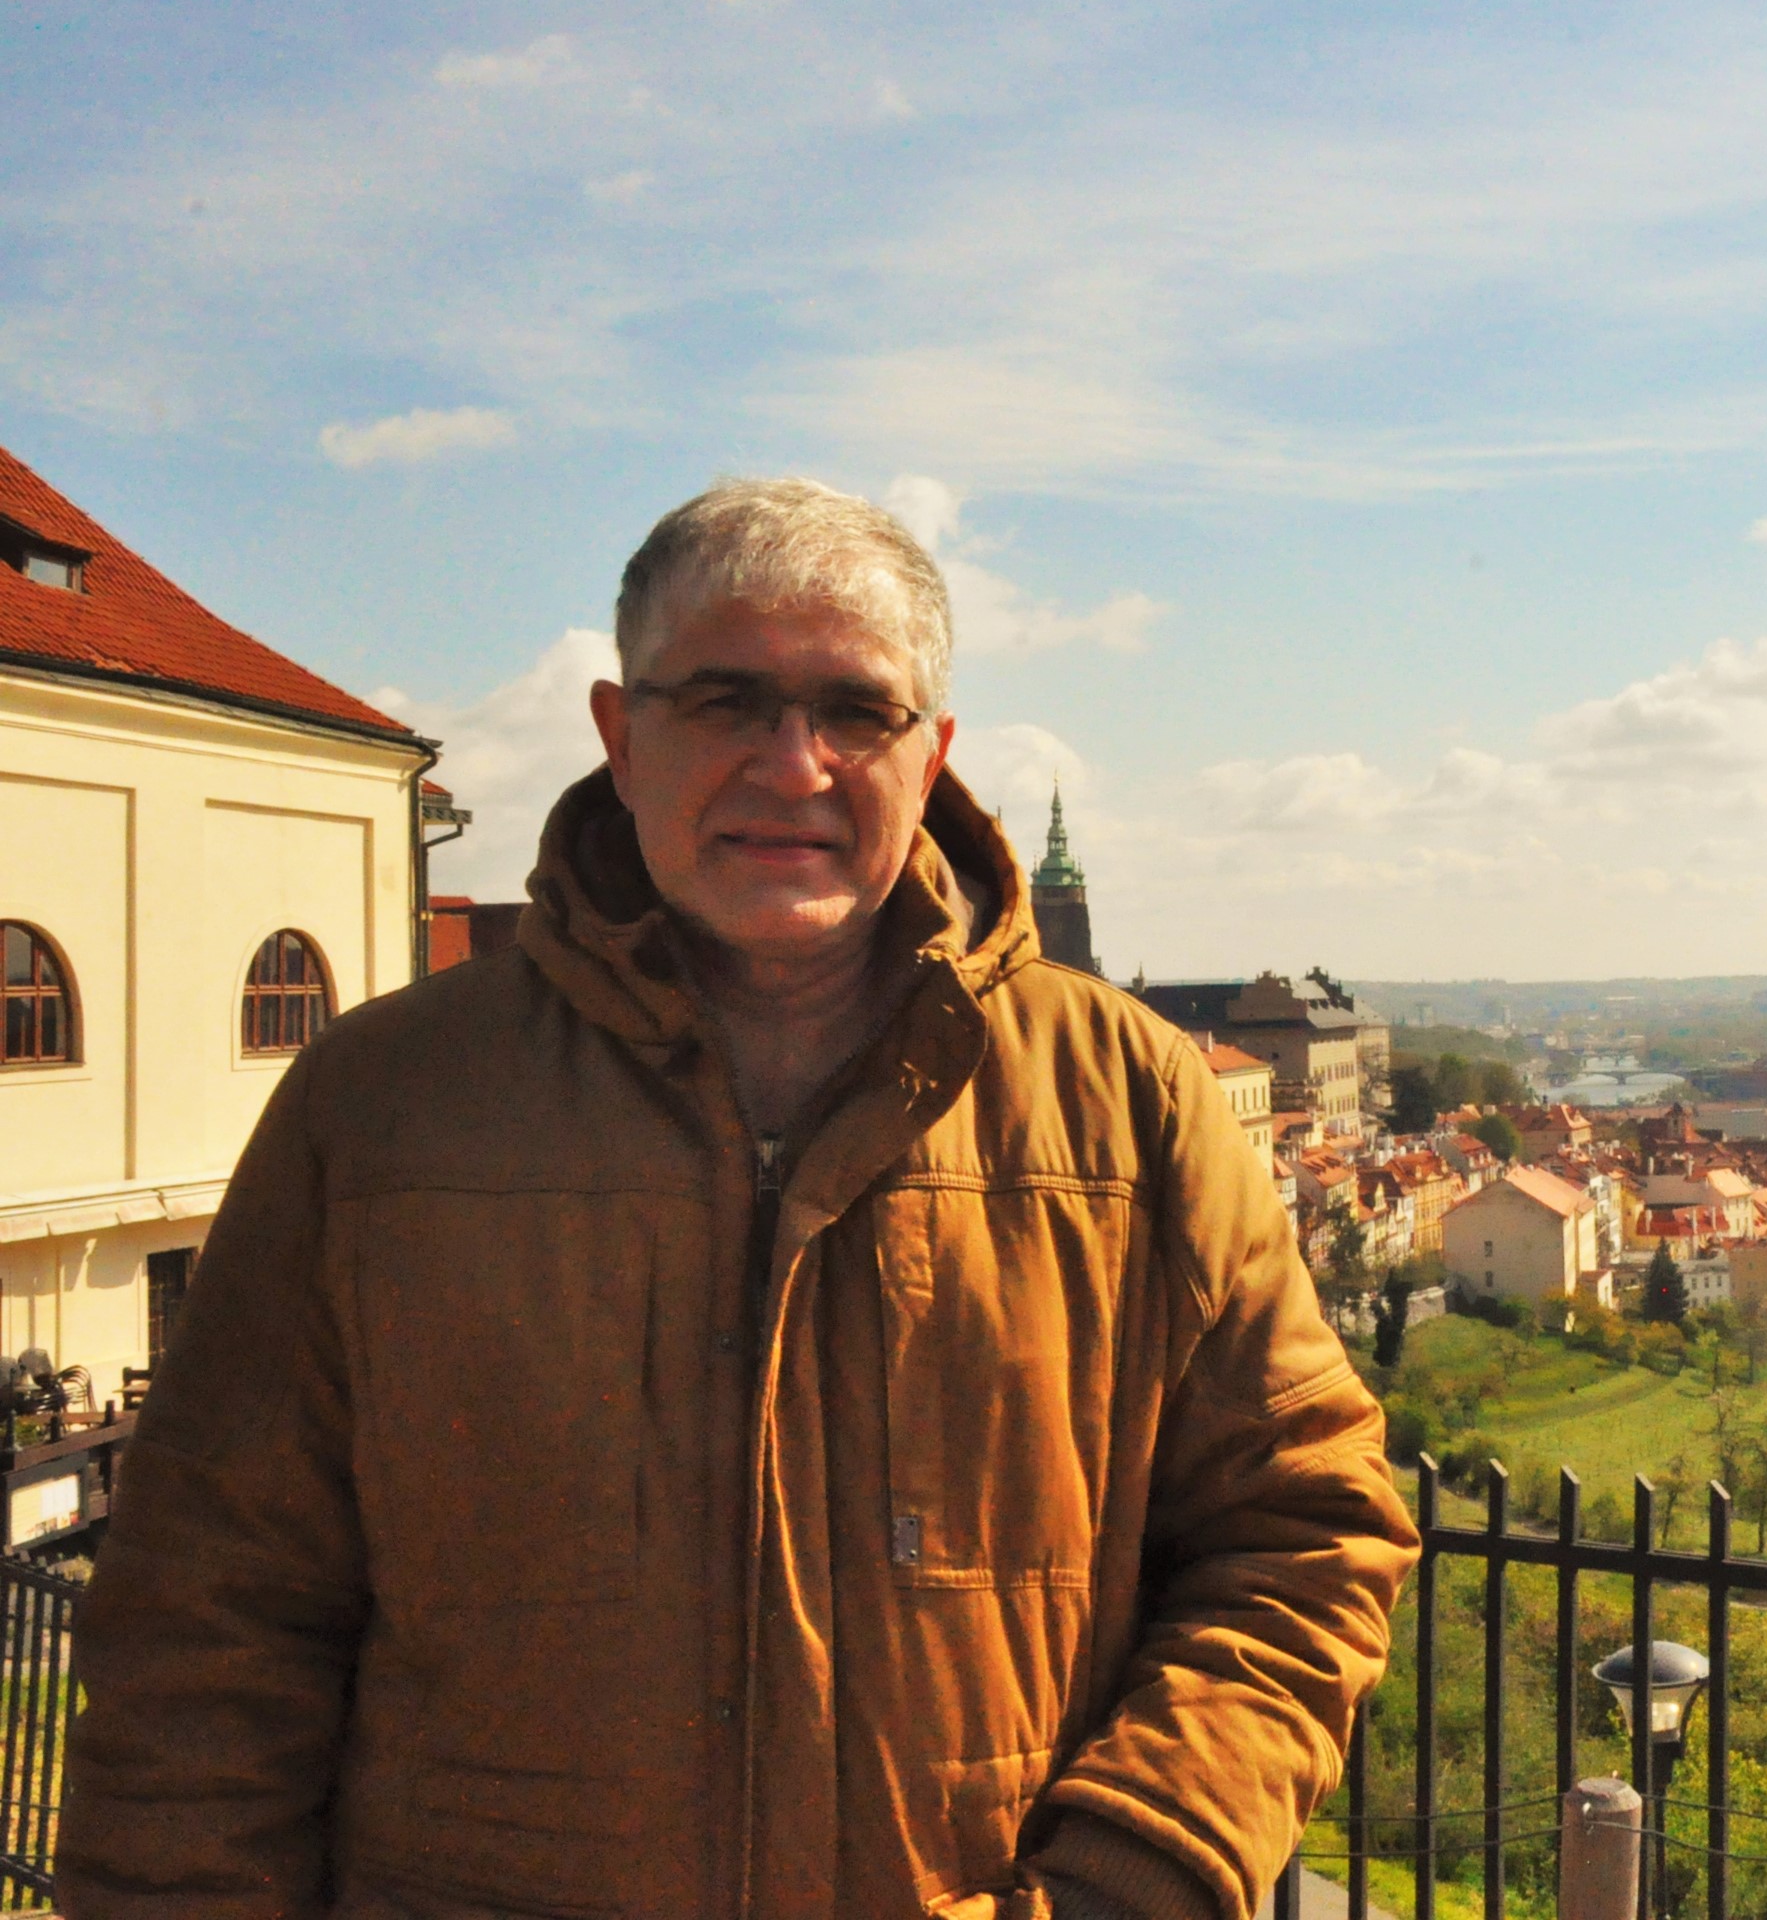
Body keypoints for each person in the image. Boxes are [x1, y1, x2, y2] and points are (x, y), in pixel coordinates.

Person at [62, 480, 1417, 1918]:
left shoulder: (1131, 1104)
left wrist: (1130, 1878)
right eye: (724, 702)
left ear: (935, 750)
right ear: (618, 734)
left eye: (856, 709)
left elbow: (1306, 1531)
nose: (795, 765)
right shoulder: (379, 1109)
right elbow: (207, 1634)